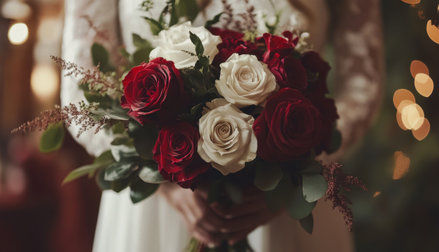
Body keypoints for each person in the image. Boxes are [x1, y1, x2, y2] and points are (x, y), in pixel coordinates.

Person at [60, 0, 383, 251]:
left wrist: (294, 177)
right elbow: (82, 83)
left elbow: (362, 83)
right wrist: (164, 182)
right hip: (157, 213)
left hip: (284, 204)